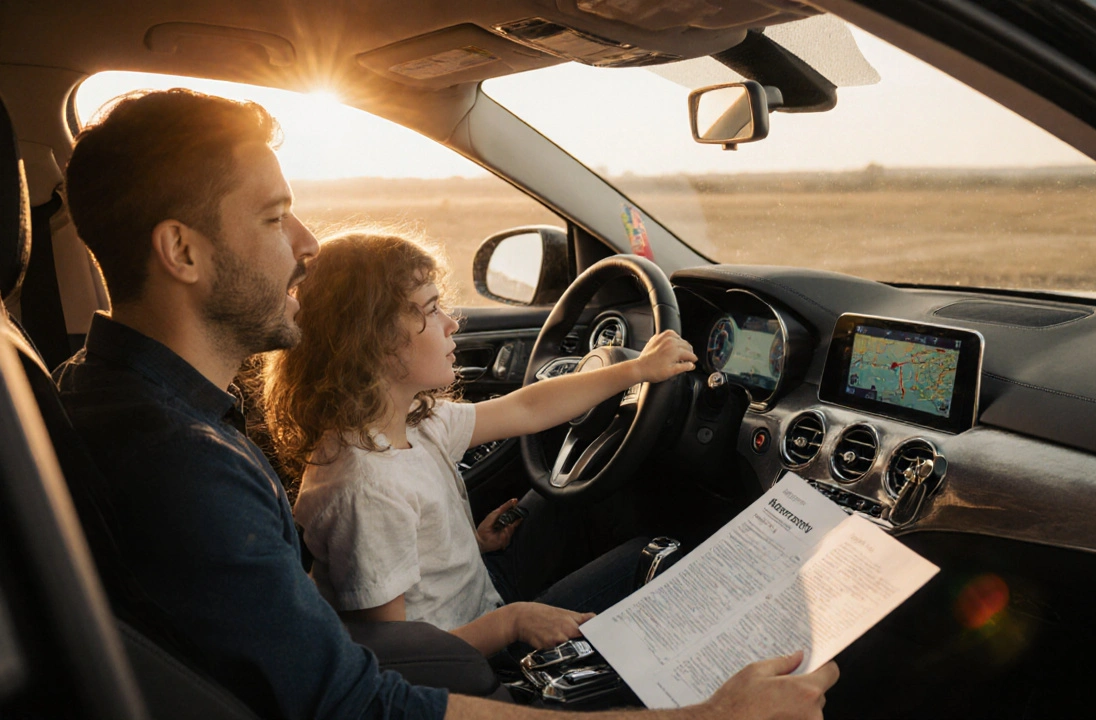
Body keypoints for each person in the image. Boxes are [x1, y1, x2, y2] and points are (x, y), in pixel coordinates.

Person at [54, 87, 838, 719]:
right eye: (271, 217)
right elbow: (356, 700)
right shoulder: (183, 466)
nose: (305, 245)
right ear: (182, 251)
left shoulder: (120, 400)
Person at [260, 232, 691, 646]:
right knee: (655, 554)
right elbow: (400, 658)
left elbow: (527, 409)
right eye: (430, 310)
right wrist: (512, 624)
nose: (451, 322)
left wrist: (636, 370)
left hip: (477, 590)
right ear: (372, 341)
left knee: (573, 492)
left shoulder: (410, 421)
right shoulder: (366, 489)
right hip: (469, 651)